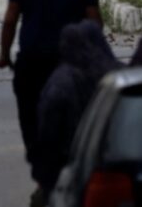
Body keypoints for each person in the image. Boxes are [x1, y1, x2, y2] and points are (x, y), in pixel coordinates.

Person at [0, 0, 102, 205]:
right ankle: (63, 176)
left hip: (31, 66)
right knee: (72, 122)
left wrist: (4, 55)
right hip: (69, 67)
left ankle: (44, 179)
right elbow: (95, 24)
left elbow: (10, 19)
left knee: (31, 121)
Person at [33, 20, 121, 202]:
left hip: (70, 169)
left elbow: (48, 134)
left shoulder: (60, 83)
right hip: (115, 165)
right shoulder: (118, 78)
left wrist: (44, 175)